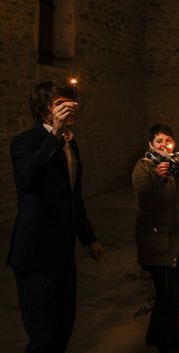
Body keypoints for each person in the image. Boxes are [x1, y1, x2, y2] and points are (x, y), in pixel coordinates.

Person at [7, 80, 104, 352]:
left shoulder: (71, 144)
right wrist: (53, 137)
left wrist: (89, 238)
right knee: (43, 337)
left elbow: (73, 196)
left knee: (63, 329)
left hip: (62, 253)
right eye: (60, 104)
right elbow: (27, 179)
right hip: (35, 254)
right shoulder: (25, 142)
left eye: (70, 103)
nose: (69, 108)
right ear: (44, 110)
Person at [132, 124, 179, 353]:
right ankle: (170, 346)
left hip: (178, 242)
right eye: (159, 141)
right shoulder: (143, 168)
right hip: (158, 242)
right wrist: (157, 179)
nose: (165, 145)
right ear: (150, 145)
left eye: (168, 141)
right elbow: (147, 202)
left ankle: (154, 335)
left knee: (169, 295)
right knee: (169, 298)